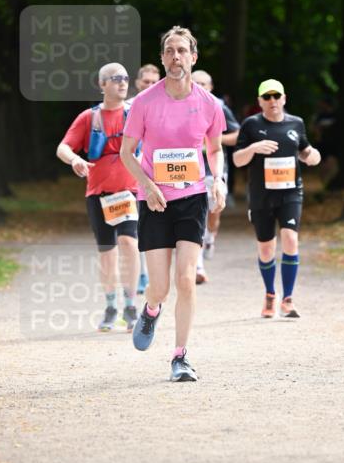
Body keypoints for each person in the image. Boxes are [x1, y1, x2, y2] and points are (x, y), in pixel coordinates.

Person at [120, 26, 226, 382]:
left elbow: (214, 148)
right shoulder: (144, 102)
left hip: (191, 198)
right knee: (160, 287)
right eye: (169, 51)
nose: (175, 57)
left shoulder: (209, 104)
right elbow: (127, 153)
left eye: (181, 50)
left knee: (185, 279)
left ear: (193, 57)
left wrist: (217, 179)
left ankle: (180, 356)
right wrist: (147, 186)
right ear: (162, 57)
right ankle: (151, 309)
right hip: (155, 200)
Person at [56, 62, 140, 332]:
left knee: (129, 243)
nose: (123, 82)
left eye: (125, 78)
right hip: (98, 194)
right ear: (102, 84)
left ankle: (131, 306)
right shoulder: (89, 118)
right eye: (116, 78)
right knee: (107, 252)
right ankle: (111, 307)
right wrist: (75, 160)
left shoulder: (134, 114)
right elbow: (63, 148)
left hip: (129, 192)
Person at [233, 79, 321, 319]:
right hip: (261, 195)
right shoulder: (251, 125)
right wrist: (254, 148)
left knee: (291, 239)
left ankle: (288, 299)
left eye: (276, 96)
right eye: (267, 97)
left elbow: (305, 150)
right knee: (266, 248)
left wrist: (312, 155)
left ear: (284, 99)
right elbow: (238, 160)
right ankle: (270, 294)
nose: (272, 100)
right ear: (260, 101)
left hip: (291, 192)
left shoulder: (296, 123)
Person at [191, 70, 240, 284]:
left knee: (213, 213)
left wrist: (213, 140)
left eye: (204, 84)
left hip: (216, 170)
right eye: (196, 83)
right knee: (196, 217)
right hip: (190, 171)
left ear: (210, 87)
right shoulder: (181, 106)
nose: (200, 87)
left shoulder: (219, 106)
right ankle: (198, 266)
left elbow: (237, 134)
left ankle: (210, 238)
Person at [133, 64, 161, 292]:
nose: (150, 86)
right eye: (146, 82)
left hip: (161, 175)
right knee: (137, 225)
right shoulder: (130, 107)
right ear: (137, 83)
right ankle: (142, 274)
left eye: (154, 82)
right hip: (134, 173)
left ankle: (157, 275)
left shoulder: (167, 105)